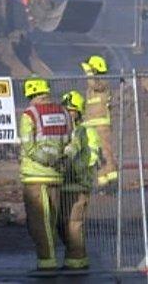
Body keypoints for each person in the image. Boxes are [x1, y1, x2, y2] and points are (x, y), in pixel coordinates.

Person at [19, 76, 72, 271]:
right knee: (51, 221)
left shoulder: (29, 114)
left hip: (35, 176)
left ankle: (47, 263)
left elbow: (28, 145)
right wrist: (59, 159)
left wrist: (45, 159)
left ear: (31, 93)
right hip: (56, 176)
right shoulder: (64, 112)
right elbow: (71, 142)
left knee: (39, 222)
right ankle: (51, 259)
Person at [59, 90, 98, 271]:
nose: (67, 113)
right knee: (62, 224)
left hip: (78, 185)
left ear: (78, 112)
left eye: (71, 110)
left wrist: (64, 161)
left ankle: (77, 261)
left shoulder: (82, 131)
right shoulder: (62, 130)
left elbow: (85, 157)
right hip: (63, 185)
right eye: (65, 109)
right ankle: (73, 257)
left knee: (74, 224)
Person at [80, 55, 117, 185]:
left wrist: (88, 72)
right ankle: (102, 182)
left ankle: (113, 181)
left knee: (106, 153)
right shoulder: (90, 89)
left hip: (102, 126)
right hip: (90, 127)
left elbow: (95, 84)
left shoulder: (103, 83)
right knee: (97, 156)